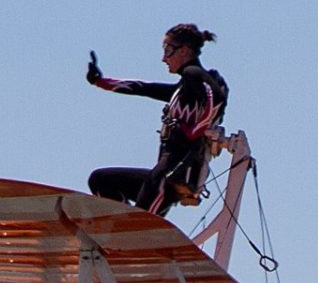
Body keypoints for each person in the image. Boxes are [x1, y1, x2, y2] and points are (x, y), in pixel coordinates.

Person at [86, 24, 229, 216]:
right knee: (100, 180)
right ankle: (119, 232)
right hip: (162, 175)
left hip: (169, 176)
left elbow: (217, 98)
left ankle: (132, 239)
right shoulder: (183, 88)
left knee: (141, 223)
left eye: (168, 50)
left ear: (185, 51)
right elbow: (145, 88)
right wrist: (101, 82)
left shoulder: (193, 73)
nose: (164, 58)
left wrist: (194, 131)